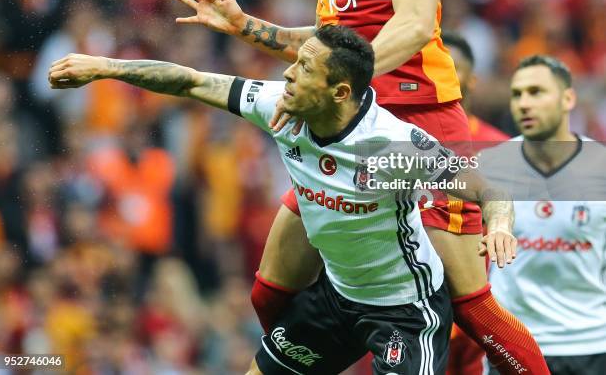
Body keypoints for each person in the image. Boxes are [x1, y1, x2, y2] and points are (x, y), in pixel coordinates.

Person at [171, 0, 548, 373]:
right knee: (270, 291)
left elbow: (415, 23)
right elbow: (328, 47)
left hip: (414, 127)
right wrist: (245, 25)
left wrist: (349, 84)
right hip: (346, 134)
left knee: (471, 308)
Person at [48, 25, 517, 375]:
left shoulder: (393, 147)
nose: (288, 75)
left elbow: (487, 186)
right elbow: (190, 81)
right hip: (336, 297)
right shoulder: (279, 107)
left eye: (304, 68)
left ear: (340, 92)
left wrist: (497, 225)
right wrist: (104, 68)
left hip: (404, 308)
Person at [482, 55, 606, 375]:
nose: (524, 103)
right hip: (513, 344)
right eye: (517, 94)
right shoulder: (491, 166)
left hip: (590, 344)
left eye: (536, 92)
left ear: (568, 99)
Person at [440, 31, 509, 375]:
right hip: (412, 298)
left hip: (477, 303)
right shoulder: (405, 140)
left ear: (473, 79)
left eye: (451, 68)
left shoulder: (501, 149)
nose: (441, 77)